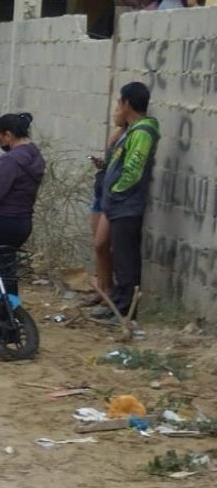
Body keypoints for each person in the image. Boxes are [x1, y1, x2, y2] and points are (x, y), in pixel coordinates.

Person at [93, 82, 160, 324]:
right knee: (115, 254)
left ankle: (125, 311)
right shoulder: (132, 131)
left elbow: (133, 171)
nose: (117, 108)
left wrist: (115, 191)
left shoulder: (142, 132)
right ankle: (116, 304)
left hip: (126, 205)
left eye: (119, 103)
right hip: (118, 204)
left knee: (126, 260)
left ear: (127, 103)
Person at [0, 113, 46, 295]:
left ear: (8, 135)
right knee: (6, 268)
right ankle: (8, 309)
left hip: (3, 220)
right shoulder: (33, 154)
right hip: (22, 219)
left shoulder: (11, 160)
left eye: (0, 137)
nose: (0, 141)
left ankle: (6, 312)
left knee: (2, 271)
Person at [81, 125, 127, 308]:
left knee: (103, 244)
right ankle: (102, 287)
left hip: (113, 195)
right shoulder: (119, 132)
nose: (116, 112)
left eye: (119, 107)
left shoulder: (134, 134)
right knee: (99, 246)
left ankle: (109, 290)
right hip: (102, 189)